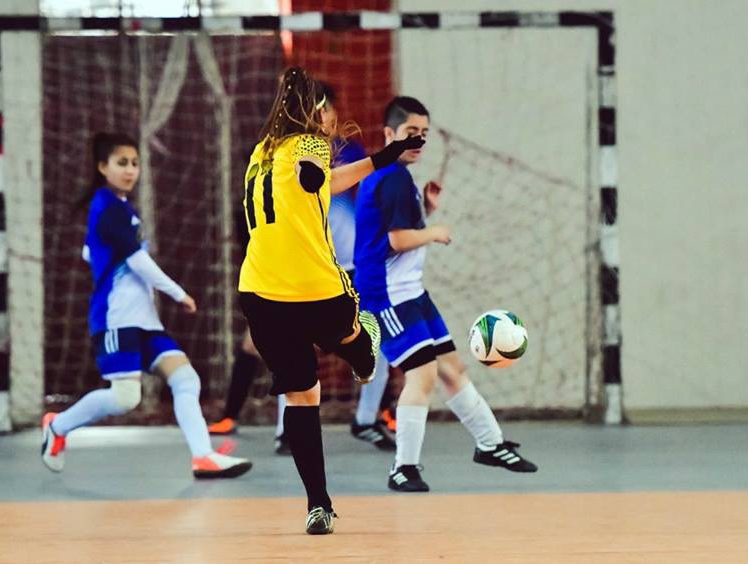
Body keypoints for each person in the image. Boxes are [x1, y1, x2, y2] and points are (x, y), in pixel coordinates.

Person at [239, 67, 423, 534]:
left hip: (260, 294)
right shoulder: (309, 145)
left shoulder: (260, 154)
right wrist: (375, 160)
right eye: (324, 108)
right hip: (315, 289)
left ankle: (317, 504)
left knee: (304, 396)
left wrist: (382, 158)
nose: (330, 117)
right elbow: (314, 175)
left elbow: (326, 181)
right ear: (312, 111)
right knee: (353, 338)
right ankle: (360, 344)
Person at [40, 132, 252, 480]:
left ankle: (203, 456)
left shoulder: (120, 209)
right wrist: (177, 292)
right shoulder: (106, 206)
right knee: (126, 398)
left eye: (135, 163)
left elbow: (92, 251)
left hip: (144, 320)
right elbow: (137, 261)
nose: (130, 170)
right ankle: (57, 426)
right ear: (102, 167)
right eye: (121, 163)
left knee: (185, 379)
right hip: (116, 319)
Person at [353, 97, 538, 493]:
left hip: (411, 291)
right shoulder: (392, 176)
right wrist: (434, 231)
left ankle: (491, 444)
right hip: (385, 296)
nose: (417, 141)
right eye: (408, 134)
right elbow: (397, 239)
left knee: (453, 369)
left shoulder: (399, 176)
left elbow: (395, 231)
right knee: (423, 374)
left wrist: (426, 211)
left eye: (423, 135)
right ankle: (403, 468)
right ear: (389, 135)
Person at [209, 82, 395, 453]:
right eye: (324, 109)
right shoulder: (282, 153)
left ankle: (369, 418)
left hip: (347, 266)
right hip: (298, 271)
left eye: (331, 109)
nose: (331, 116)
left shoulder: (346, 152)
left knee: (378, 343)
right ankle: (265, 423)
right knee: (283, 351)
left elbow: (367, 196)